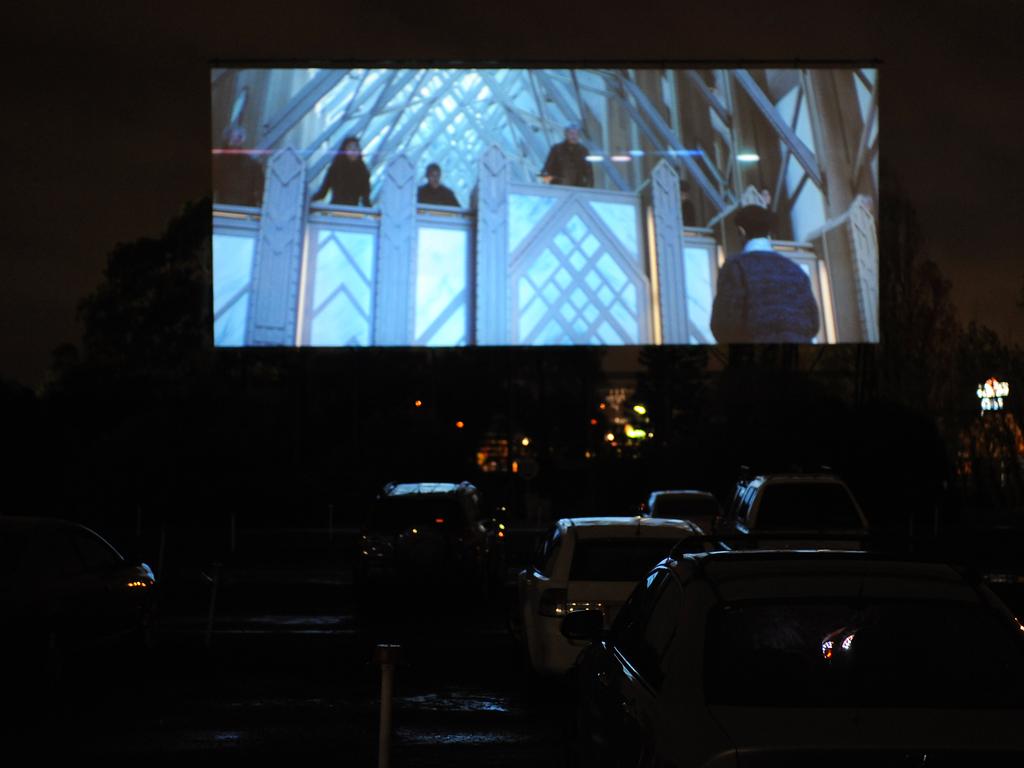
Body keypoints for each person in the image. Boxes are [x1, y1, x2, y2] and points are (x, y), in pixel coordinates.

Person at [710, 205, 820, 344]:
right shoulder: (795, 270)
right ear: (768, 231)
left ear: (741, 231)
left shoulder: (735, 267)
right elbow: (813, 324)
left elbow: (724, 325)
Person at [212, 125, 264, 207]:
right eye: (233, 138)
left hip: (242, 210)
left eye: (238, 138)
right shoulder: (218, 162)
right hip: (225, 210)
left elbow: (260, 190)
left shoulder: (253, 165)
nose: (236, 141)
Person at [312, 135, 371, 207]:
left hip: (347, 211)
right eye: (350, 148)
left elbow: (366, 198)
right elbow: (322, 193)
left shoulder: (363, 171)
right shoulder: (335, 169)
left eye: (356, 148)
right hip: (342, 211)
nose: (353, 151)